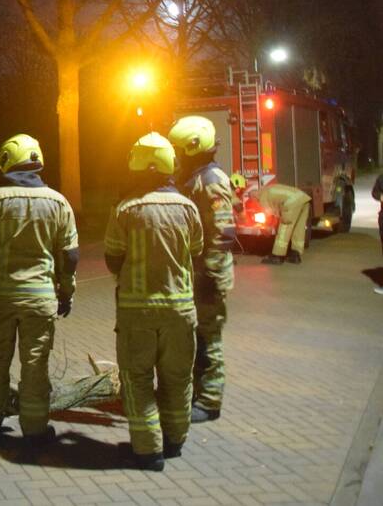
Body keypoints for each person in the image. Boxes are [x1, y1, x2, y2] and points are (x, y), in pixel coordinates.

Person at [0, 134, 78, 450]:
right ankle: (35, 429)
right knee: (35, 365)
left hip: (0, 297)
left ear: (7, 160)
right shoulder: (58, 202)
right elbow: (70, 255)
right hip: (40, 298)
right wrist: (66, 292)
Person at [104, 132, 203, 471]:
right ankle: (175, 442)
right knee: (178, 379)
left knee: (138, 380)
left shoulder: (125, 209)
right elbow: (196, 252)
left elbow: (113, 258)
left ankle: (148, 451)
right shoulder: (188, 207)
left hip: (138, 313)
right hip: (181, 311)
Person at [167, 116, 235, 424]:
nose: (176, 155)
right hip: (195, 274)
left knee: (208, 339)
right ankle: (196, 393)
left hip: (208, 275)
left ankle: (209, 401)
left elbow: (223, 233)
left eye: (179, 149)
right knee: (195, 337)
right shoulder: (194, 178)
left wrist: (209, 276)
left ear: (193, 148)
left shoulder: (211, 181)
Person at [250, 182, 312, 265]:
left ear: (254, 196)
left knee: (284, 228)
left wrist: (267, 227)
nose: (255, 202)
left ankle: (277, 256)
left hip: (291, 203)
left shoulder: (262, 197)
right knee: (298, 229)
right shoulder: (268, 189)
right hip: (303, 199)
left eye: (253, 200)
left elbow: (268, 213)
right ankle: (295, 255)